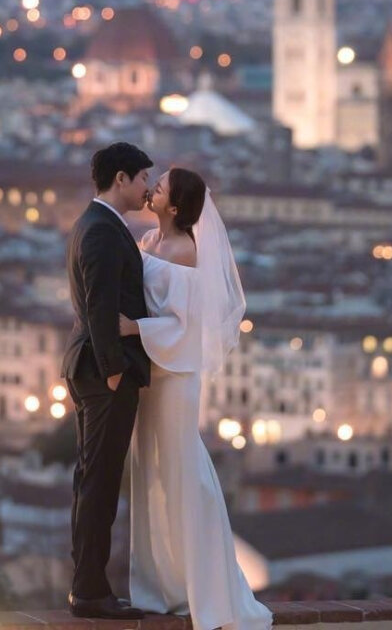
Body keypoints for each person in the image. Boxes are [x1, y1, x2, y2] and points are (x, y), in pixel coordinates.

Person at [119, 167, 272, 629]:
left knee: (183, 475)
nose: (154, 187)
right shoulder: (149, 244)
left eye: (162, 185)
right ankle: (163, 585)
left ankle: (206, 587)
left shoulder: (187, 252)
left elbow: (186, 325)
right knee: (151, 474)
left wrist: (134, 328)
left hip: (176, 376)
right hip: (153, 372)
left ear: (177, 205)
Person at [60, 142, 153, 619]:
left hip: (93, 371)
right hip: (103, 374)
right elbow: (99, 306)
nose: (146, 189)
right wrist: (116, 371)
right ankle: (91, 591)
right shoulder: (100, 231)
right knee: (99, 481)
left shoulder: (95, 225)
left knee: (92, 478)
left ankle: (89, 586)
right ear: (121, 178)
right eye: (141, 180)